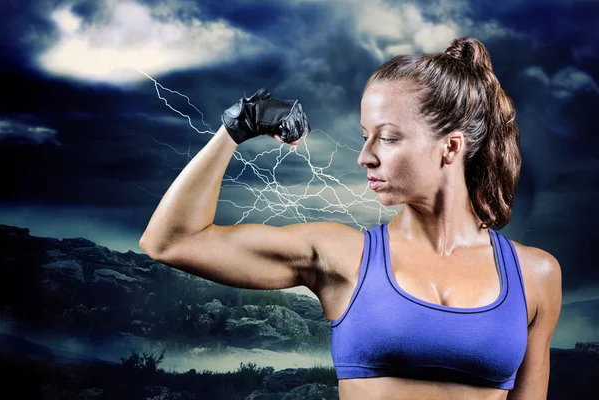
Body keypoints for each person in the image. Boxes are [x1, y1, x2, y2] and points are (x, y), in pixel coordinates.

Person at [139, 37, 562, 400]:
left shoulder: (535, 275)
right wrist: (236, 128)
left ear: (451, 148)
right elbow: (170, 242)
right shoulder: (340, 256)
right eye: (365, 136)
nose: (366, 156)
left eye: (389, 138)